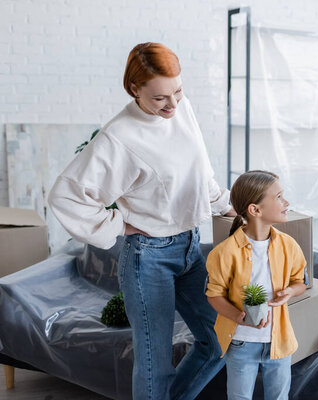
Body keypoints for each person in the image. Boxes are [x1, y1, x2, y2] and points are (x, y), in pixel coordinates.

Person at [48, 42, 235, 400]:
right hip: (148, 258)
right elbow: (66, 195)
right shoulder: (118, 136)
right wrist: (119, 224)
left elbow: (199, 173)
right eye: (161, 98)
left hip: (191, 248)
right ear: (135, 89)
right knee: (155, 364)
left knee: (219, 341)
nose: (173, 105)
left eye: (178, 91)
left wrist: (226, 205)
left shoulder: (181, 110)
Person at [205, 170, 307, 400]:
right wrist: (239, 316)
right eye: (279, 197)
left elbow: (300, 282)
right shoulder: (224, 253)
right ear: (255, 210)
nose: (286, 202)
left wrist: (290, 291)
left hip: (279, 342)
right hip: (241, 343)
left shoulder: (289, 246)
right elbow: (214, 295)